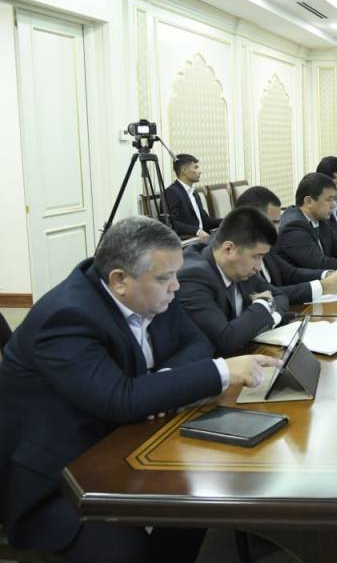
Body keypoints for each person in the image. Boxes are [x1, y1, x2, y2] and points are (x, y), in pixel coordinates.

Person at [0, 217, 279, 562]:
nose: (176, 286)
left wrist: (160, 384)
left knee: (196, 502)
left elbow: (197, 342)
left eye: (175, 274)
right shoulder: (67, 316)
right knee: (126, 549)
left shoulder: (149, 290)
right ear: (119, 280)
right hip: (57, 478)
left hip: (125, 441)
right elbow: (120, 399)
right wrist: (223, 371)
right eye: (165, 278)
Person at [177, 207, 290, 356]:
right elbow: (226, 340)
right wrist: (263, 304)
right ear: (229, 249)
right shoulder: (193, 276)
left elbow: (280, 296)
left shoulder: (240, 267)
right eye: (256, 256)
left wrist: (271, 318)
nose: (258, 267)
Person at [234, 186, 337, 304]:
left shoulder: (266, 245)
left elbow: (290, 273)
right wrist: (323, 286)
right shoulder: (238, 255)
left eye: (278, 222)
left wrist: (328, 275)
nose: (276, 229)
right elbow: (269, 294)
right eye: (273, 222)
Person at [163, 153, 221, 238]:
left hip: (202, 238)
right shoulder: (171, 192)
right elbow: (171, 223)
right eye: (196, 167)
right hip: (188, 241)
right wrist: (196, 231)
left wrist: (228, 220)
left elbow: (205, 220)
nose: (200, 172)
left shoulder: (194, 192)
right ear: (184, 170)